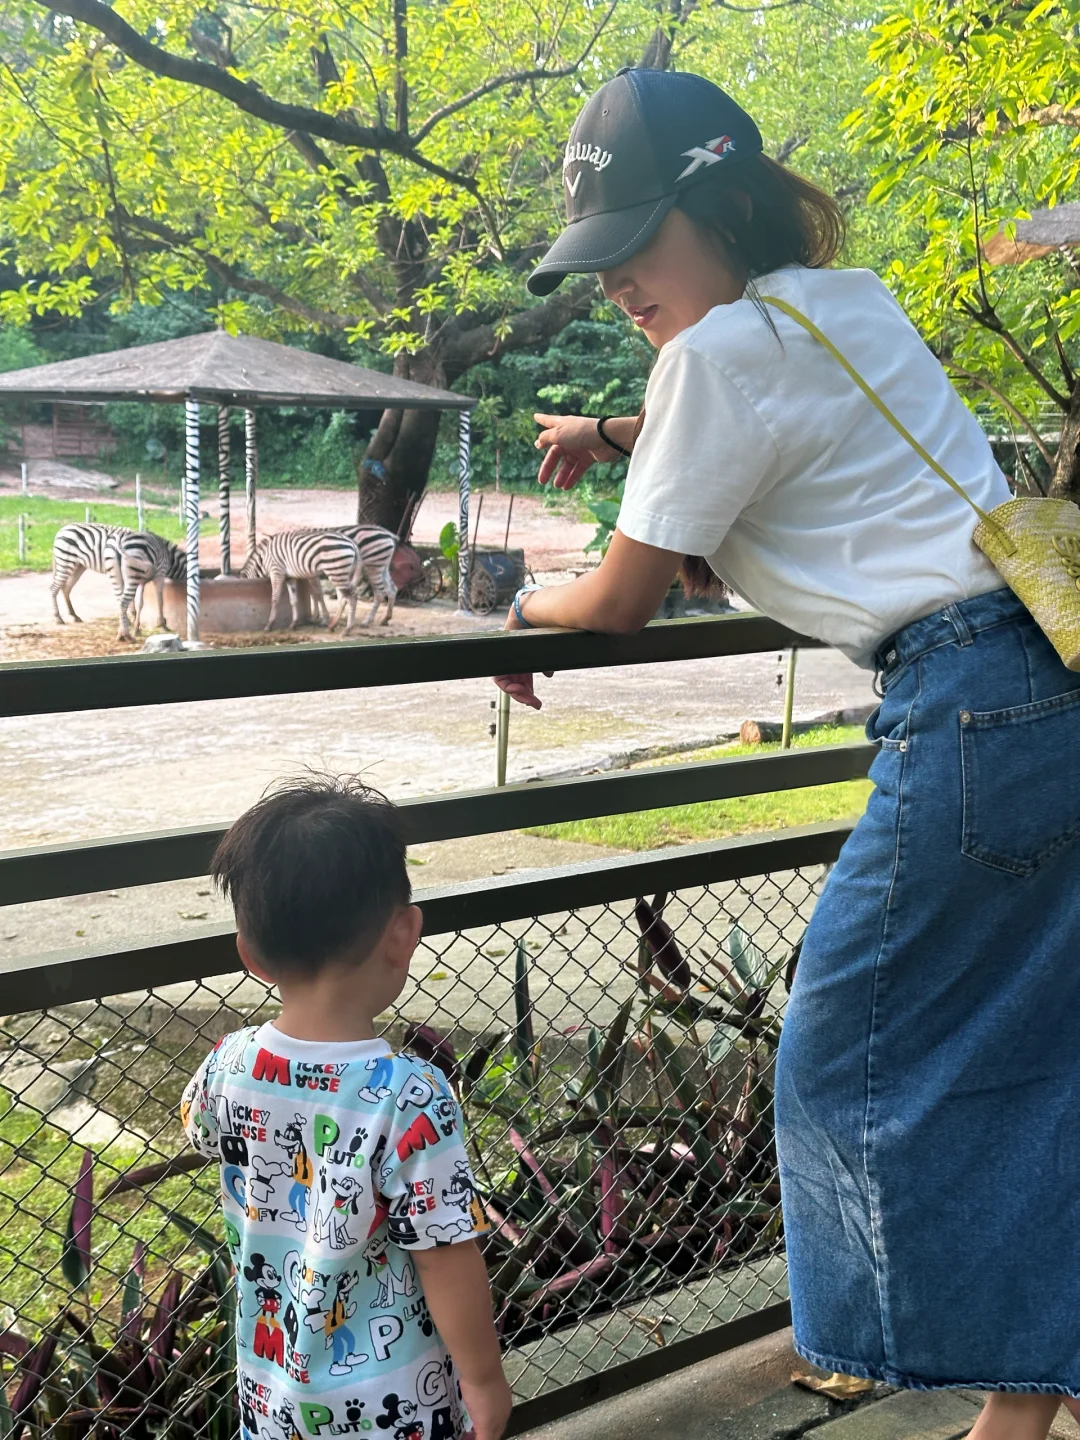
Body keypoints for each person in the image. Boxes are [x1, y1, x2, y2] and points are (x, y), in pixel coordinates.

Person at [495, 66, 1080, 1440]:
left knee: (838, 1058)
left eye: (636, 243)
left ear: (719, 204)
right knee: (1034, 1051)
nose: (616, 284)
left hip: (961, 704)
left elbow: (619, 598)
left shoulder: (704, 362)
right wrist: (609, 430)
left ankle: (914, 1356)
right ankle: (1022, 1411)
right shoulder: (848, 302)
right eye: (599, 261)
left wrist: (522, 607)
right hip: (1046, 674)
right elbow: (783, 415)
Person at [181, 778, 512, 1440]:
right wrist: (483, 1380)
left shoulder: (228, 1062)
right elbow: (444, 1255)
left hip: (272, 1398)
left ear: (250, 954)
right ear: (403, 933)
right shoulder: (409, 1096)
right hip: (397, 1408)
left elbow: (197, 1130)